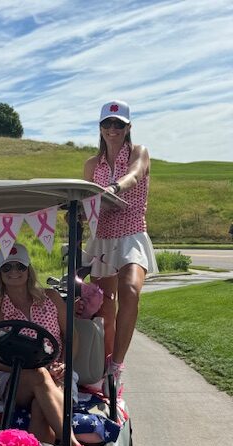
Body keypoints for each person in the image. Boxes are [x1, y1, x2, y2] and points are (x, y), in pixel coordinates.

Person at [0, 244, 104, 446]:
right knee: (38, 375)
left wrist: (64, 364)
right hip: (16, 380)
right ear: (0, 273)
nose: (14, 272)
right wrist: (31, 368)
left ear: (28, 269)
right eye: (7, 267)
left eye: (19, 266)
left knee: (41, 407)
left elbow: (71, 336)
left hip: (58, 372)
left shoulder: (50, 298)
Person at [83, 100, 157, 393]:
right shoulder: (92, 164)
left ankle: (117, 366)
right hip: (102, 236)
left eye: (118, 124)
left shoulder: (139, 152)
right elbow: (85, 202)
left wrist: (113, 189)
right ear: (100, 127)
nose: (112, 129)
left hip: (131, 233)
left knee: (130, 290)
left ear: (128, 127)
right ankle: (102, 367)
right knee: (103, 305)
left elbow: (135, 174)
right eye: (107, 123)